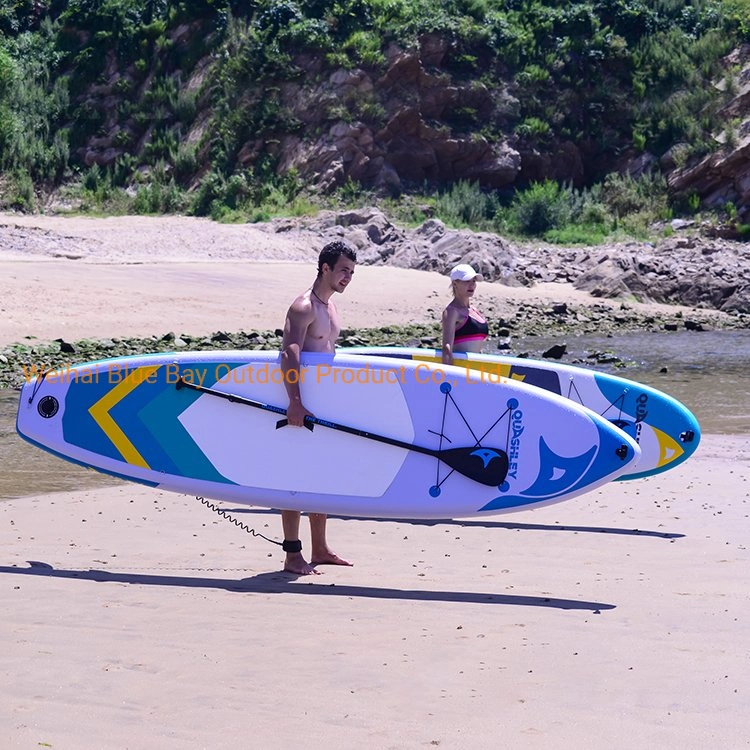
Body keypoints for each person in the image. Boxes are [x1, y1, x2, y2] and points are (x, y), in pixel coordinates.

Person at [279, 240, 357, 575]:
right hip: (302, 406)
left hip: (322, 405)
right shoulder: (303, 307)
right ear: (325, 268)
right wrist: (295, 401)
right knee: (295, 476)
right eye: (343, 270)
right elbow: (289, 354)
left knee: (321, 475)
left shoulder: (331, 308)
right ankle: (292, 554)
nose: (347, 278)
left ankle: (320, 548)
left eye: (351, 272)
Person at [441, 263, 489, 366]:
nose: (471, 285)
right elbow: (446, 347)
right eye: (467, 281)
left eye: (474, 281)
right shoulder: (451, 311)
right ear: (455, 284)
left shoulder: (474, 310)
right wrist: (449, 376)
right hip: (461, 370)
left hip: (475, 370)